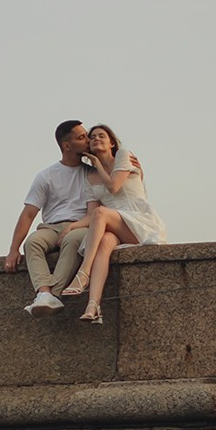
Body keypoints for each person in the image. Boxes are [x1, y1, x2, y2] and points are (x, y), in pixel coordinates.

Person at [62, 123, 167, 324]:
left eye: (102, 135)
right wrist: (72, 226)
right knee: (104, 243)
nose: (96, 138)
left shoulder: (123, 156)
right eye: (92, 137)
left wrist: (97, 163)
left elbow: (113, 186)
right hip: (116, 224)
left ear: (111, 142)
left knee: (102, 213)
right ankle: (93, 306)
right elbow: (91, 215)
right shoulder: (90, 177)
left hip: (140, 222)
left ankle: (84, 272)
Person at [3, 120, 95, 314]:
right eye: (81, 137)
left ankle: (54, 295)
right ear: (67, 146)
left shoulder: (92, 174)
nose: (88, 140)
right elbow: (28, 214)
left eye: (87, 135)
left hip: (81, 226)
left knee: (72, 240)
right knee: (33, 242)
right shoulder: (46, 175)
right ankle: (44, 293)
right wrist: (13, 249)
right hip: (51, 227)